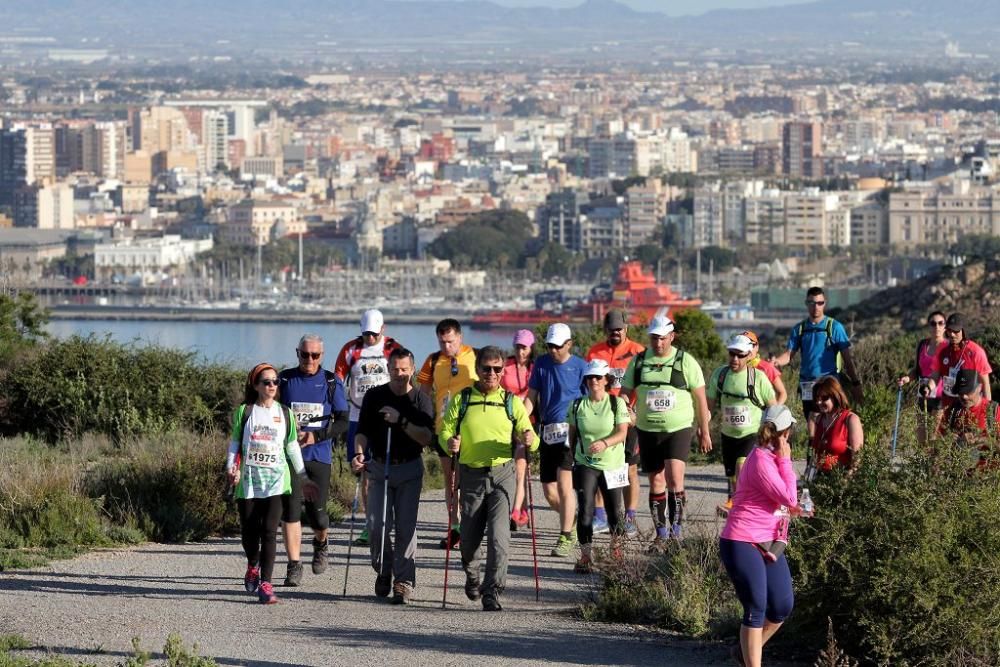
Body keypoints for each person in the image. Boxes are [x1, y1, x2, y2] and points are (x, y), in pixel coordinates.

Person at [440, 346, 535, 611]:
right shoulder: (463, 399)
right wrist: (449, 440)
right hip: (471, 475)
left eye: (496, 369)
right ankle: (472, 577)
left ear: (503, 371)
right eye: (486, 368)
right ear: (477, 369)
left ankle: (492, 591)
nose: (491, 374)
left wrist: (530, 439)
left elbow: (530, 434)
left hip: (502, 474)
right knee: (469, 541)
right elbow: (445, 429)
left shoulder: (511, 401)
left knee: (499, 538)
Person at [719, 404, 805, 667]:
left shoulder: (772, 458)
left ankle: (743, 654)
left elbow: (786, 502)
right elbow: (789, 497)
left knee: (781, 606)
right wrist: (786, 459)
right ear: (785, 432)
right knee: (756, 606)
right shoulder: (760, 460)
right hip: (742, 539)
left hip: (769, 541)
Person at [226, 363, 318, 605]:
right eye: (266, 382)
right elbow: (235, 442)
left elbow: (291, 446)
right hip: (248, 482)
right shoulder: (245, 412)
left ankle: (266, 584)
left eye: (276, 382)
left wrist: (303, 476)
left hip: (277, 481)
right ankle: (252, 563)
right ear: (256, 385)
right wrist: (230, 467)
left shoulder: (285, 413)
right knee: (249, 532)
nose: (272, 386)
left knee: (269, 531)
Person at [351, 348, 435, 604]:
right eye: (395, 369)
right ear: (388, 368)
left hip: (409, 468)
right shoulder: (375, 396)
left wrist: (401, 421)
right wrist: (358, 453)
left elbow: (427, 438)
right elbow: (362, 431)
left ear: (412, 369)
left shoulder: (421, 400)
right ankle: (384, 570)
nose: (399, 374)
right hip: (379, 466)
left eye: (404, 369)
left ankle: (403, 582)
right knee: (377, 525)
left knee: (406, 529)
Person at [621, 315, 711, 543]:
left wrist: (704, 431)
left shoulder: (685, 361)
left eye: (662, 338)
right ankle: (661, 534)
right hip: (647, 429)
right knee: (656, 481)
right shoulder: (639, 361)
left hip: (678, 428)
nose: (658, 343)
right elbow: (625, 392)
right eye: (654, 338)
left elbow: (700, 398)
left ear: (672, 336)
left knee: (674, 478)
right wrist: (626, 408)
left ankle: (676, 533)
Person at [277, 334, 349, 586]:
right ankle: (293, 565)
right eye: (305, 354)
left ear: (322, 355)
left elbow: (342, 422)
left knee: (318, 516)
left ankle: (321, 542)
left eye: (315, 355)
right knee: (291, 512)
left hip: (319, 457)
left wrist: (316, 435)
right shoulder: (285, 379)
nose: (309, 359)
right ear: (297, 353)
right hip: (289, 458)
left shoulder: (331, 381)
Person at [334, 309, 403, 548]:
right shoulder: (351, 349)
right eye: (366, 333)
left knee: (384, 470)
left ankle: (388, 519)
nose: (370, 338)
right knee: (363, 470)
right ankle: (370, 524)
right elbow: (338, 377)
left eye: (374, 333)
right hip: (357, 417)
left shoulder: (393, 348)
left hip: (385, 420)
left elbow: (404, 376)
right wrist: (338, 405)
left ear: (382, 329)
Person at [524, 323, 587, 557]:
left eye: (557, 346)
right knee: (549, 491)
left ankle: (566, 537)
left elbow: (591, 401)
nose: (552, 350)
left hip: (571, 431)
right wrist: (521, 421)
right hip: (547, 431)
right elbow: (531, 397)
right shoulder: (541, 364)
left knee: (564, 485)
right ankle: (574, 518)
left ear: (569, 344)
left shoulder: (581, 366)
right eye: (549, 345)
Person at [417, 318, 478, 550]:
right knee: (451, 481)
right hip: (444, 429)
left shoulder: (475, 356)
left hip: (472, 429)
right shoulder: (433, 361)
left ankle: (472, 527)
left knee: (470, 481)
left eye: (450, 342)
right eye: (442, 342)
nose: (446, 347)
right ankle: (455, 528)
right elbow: (422, 394)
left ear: (460, 338)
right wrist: (422, 424)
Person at [585, 310, 645, 537]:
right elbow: (588, 385)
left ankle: (629, 518)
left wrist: (636, 413)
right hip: (601, 417)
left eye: (619, 329)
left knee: (629, 469)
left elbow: (645, 386)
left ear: (626, 329)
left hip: (629, 418)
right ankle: (600, 516)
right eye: (611, 329)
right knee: (600, 466)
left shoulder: (638, 351)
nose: (616, 332)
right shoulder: (595, 352)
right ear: (605, 330)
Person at [568, 359, 630, 574]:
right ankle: (585, 556)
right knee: (585, 510)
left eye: (597, 377)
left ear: (606, 380)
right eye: (589, 377)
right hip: (586, 463)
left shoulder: (616, 403)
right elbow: (572, 433)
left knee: (615, 511)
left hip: (612, 464)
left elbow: (623, 432)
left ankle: (616, 553)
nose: (593, 381)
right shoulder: (577, 405)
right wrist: (570, 455)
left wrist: (604, 443)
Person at [770, 287, 862, 423]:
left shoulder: (835, 327)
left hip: (829, 384)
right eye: (812, 303)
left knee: (831, 422)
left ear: (825, 303)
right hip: (807, 385)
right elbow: (789, 355)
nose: (816, 307)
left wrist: (855, 383)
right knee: (811, 422)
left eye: (820, 303)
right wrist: (775, 362)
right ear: (806, 303)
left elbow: (847, 359)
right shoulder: (799, 329)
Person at [707, 333, 776, 515]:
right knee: (731, 475)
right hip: (728, 434)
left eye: (740, 355)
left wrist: (771, 434)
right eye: (732, 354)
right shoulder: (720, 375)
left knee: (741, 468)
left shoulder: (758, 378)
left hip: (751, 434)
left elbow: (773, 407)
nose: (735, 358)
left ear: (748, 356)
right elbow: (708, 407)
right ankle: (742, 506)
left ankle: (738, 505)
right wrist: (703, 429)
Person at [501, 328, 535, 531]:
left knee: (520, 467)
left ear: (531, 348)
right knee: (509, 467)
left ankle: (514, 512)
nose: (521, 351)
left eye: (524, 348)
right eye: (518, 347)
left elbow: (536, 392)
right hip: (505, 422)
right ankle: (522, 512)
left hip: (527, 423)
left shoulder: (536, 367)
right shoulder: (506, 365)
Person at [897, 311, 949, 444]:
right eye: (933, 323)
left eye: (940, 323)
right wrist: (907, 379)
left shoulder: (948, 347)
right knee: (921, 438)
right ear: (929, 326)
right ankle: (923, 464)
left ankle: (934, 465)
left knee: (933, 437)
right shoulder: (922, 345)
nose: (936, 326)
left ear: (945, 326)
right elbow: (916, 369)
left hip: (940, 397)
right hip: (923, 395)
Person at [927, 313, 993, 412]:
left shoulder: (976, 352)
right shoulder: (942, 351)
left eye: (956, 331)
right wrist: (928, 387)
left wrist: (988, 411)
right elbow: (935, 376)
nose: (952, 334)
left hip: (970, 405)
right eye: (949, 330)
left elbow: (985, 384)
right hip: (947, 405)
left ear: (964, 330)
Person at [937, 369, 1000, 468]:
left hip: (988, 478)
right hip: (959, 476)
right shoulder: (953, 410)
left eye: (968, 391)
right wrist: (949, 440)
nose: (964, 396)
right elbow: (938, 444)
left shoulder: (993, 411)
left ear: (979, 388)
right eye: (960, 392)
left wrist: (984, 440)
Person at [808, 376, 863, 475]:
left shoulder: (850, 419)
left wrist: (845, 482)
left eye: (824, 398)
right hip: (820, 477)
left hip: (841, 478)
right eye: (817, 398)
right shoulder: (819, 419)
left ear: (835, 396)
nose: (819, 402)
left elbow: (857, 458)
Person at [741, 330, 787, 405]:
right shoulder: (734, 368)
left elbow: (782, 393)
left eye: (751, 346)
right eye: (743, 346)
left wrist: (774, 411)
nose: (748, 349)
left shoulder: (766, 368)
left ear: (757, 347)